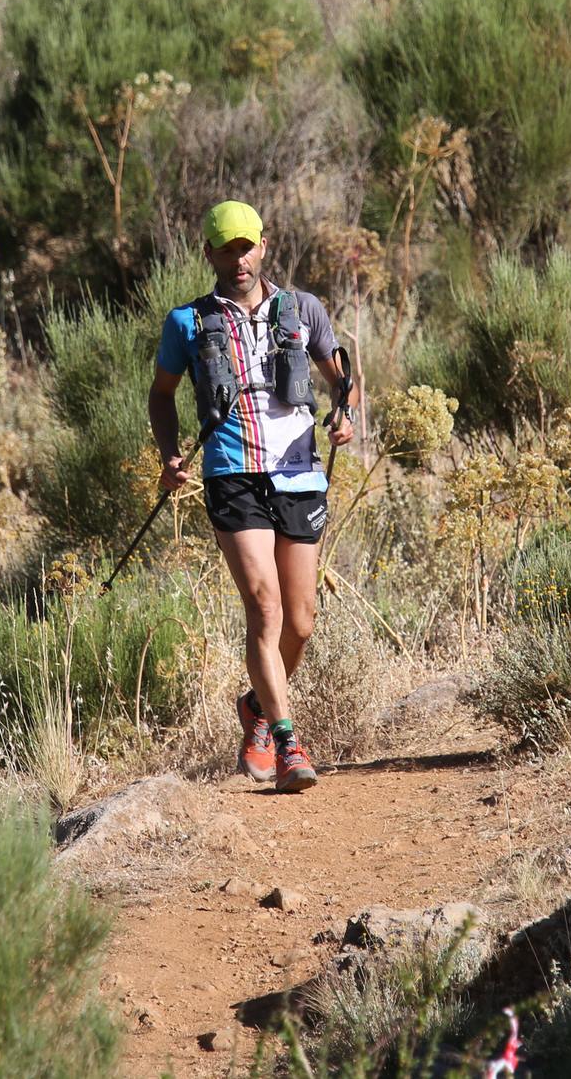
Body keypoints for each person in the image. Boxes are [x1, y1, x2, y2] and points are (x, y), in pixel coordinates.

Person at [148, 201, 357, 792]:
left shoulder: (304, 310)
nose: (237, 259)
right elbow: (160, 395)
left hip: (298, 474)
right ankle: (288, 743)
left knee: (302, 620)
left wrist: (344, 413)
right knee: (263, 607)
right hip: (231, 473)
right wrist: (169, 456)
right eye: (224, 249)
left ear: (264, 245)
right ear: (208, 254)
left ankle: (256, 710)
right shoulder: (186, 323)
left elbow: (342, 378)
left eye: (246, 246)